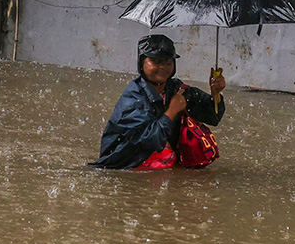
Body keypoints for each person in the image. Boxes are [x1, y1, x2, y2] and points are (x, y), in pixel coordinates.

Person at [92, 34, 226, 170]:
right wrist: (172, 111)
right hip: (126, 165)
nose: (162, 67)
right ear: (141, 63)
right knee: (165, 159)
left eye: (168, 62)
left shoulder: (176, 89)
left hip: (162, 159)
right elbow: (150, 141)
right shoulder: (133, 98)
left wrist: (216, 94)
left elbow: (213, 117)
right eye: (155, 61)